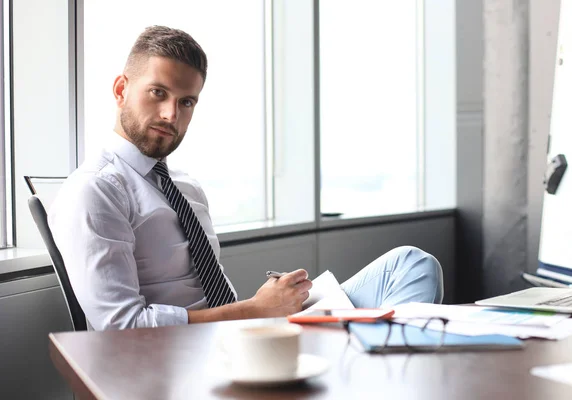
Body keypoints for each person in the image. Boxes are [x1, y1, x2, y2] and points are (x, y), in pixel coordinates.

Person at [49, 26, 443, 331]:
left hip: (243, 333)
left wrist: (268, 307)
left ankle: (382, 370)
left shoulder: (185, 186)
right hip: (189, 355)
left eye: (186, 101)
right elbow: (122, 326)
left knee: (411, 263)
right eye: (158, 93)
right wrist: (255, 310)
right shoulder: (95, 191)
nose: (172, 114)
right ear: (121, 89)